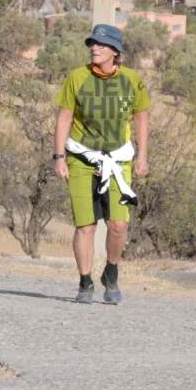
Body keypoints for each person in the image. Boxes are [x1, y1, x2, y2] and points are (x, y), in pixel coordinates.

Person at [53, 24, 151, 304]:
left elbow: (141, 118)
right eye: (92, 43)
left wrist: (142, 156)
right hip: (81, 158)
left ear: (115, 51)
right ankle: (85, 283)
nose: (94, 48)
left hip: (118, 160)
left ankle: (111, 272)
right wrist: (59, 157)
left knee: (119, 225)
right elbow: (63, 118)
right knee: (87, 225)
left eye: (101, 44)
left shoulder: (132, 80)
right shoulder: (77, 77)